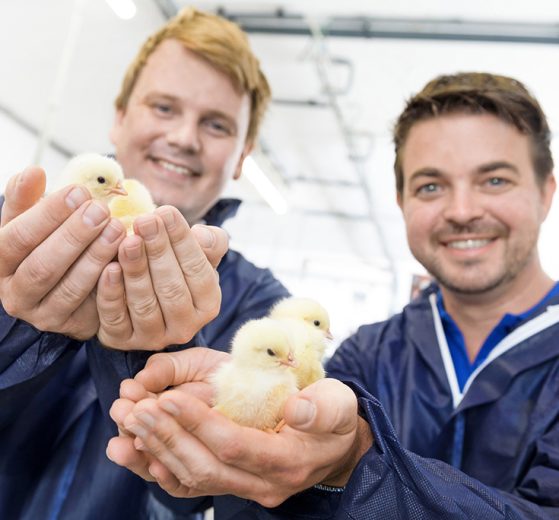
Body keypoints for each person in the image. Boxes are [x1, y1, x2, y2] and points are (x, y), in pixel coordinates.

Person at [108, 72, 559, 519]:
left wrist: (356, 463)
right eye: (430, 186)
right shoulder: (368, 354)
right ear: (402, 202)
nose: (462, 211)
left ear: (546, 192)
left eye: (495, 181)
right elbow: (237, 493)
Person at [0, 7, 289, 520]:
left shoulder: (260, 309)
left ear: (243, 156)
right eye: (163, 107)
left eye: (216, 124)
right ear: (119, 117)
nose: (183, 137)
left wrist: (154, 351)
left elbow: (216, 490)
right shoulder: (15, 232)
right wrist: (14, 319)